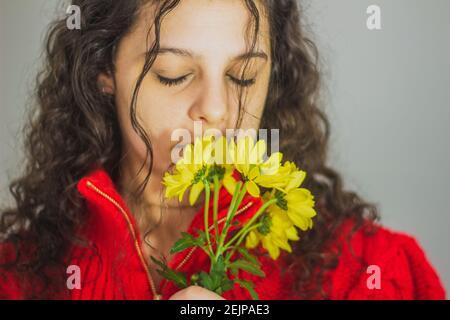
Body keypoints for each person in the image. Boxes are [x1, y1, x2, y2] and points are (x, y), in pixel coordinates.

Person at [0, 0, 445, 300]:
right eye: (173, 74)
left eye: (244, 77)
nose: (217, 111)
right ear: (104, 70)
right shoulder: (17, 279)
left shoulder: (371, 273)